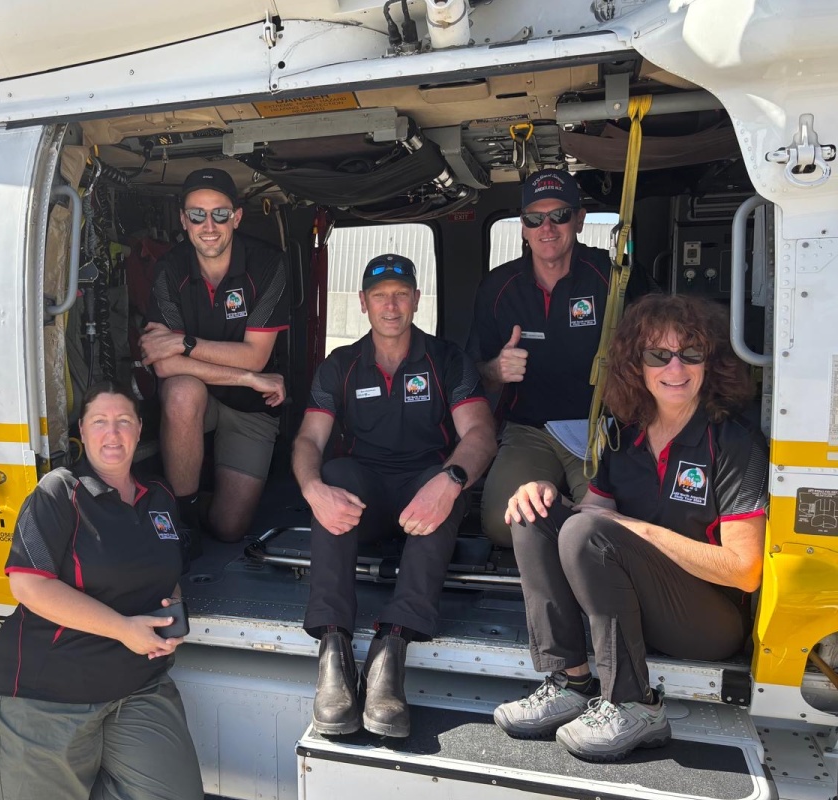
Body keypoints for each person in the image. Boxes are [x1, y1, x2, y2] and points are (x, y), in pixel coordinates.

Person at [493, 294, 767, 762]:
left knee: (587, 534)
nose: (675, 368)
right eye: (659, 355)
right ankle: (571, 682)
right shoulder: (623, 431)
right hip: (640, 607)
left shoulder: (733, 440)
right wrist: (544, 492)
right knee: (534, 515)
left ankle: (635, 705)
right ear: (636, 364)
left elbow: (744, 571)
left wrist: (635, 528)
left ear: (710, 361)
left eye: (691, 354)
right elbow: (591, 514)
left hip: (708, 621)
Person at [293, 254, 497, 738]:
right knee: (335, 473)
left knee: (450, 486)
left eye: (401, 294)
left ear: (416, 300)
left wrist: (448, 481)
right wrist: (312, 488)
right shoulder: (340, 365)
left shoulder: (447, 360)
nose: (391, 305)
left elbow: (480, 435)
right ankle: (333, 647)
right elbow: (308, 441)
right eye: (380, 296)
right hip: (366, 494)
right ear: (363, 303)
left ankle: (392, 646)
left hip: (421, 488)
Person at [0, 381, 203, 800]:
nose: (113, 433)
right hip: (50, 695)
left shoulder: (159, 497)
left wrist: (173, 609)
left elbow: (167, 571)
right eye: (100, 422)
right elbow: (28, 585)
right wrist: (123, 628)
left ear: (140, 429)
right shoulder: (58, 491)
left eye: (123, 421)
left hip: (138, 687)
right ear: (82, 432)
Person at [467, 169, 649, 546]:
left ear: (579, 220)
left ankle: (560, 513)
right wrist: (496, 370)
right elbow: (474, 375)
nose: (546, 227)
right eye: (534, 218)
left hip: (602, 430)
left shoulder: (614, 278)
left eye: (560, 215)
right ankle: (558, 506)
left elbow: (659, 356)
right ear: (523, 227)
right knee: (503, 528)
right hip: (529, 430)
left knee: (606, 532)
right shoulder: (498, 288)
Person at [140, 167, 289, 545]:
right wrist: (246, 376)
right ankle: (181, 524)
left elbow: (255, 356)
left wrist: (184, 343)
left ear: (236, 217)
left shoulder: (268, 264)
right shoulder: (169, 270)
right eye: (197, 214)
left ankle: (189, 504)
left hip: (251, 407)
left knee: (229, 527)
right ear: (183, 221)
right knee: (181, 390)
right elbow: (165, 365)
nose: (209, 225)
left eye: (220, 214)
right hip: (215, 393)